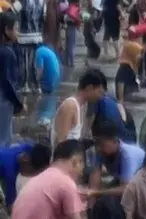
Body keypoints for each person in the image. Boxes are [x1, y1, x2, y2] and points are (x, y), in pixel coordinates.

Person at [10, 140, 85, 219]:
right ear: (75, 162)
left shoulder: (44, 176)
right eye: (80, 172)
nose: (80, 173)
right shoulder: (66, 182)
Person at [87, 120, 146, 204]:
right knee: (100, 201)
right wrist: (91, 204)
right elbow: (94, 182)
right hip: (124, 181)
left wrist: (99, 193)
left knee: (111, 202)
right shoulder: (100, 151)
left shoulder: (127, 155)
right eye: (96, 143)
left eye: (101, 143)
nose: (98, 148)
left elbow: (125, 189)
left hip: (144, 183)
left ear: (115, 140)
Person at [0, 142, 48, 212]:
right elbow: (10, 207)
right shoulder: (10, 173)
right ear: (26, 161)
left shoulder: (27, 147)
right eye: (35, 172)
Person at [0, 12, 21, 146]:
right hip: (4, 98)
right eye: (16, 28)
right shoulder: (6, 52)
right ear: (7, 30)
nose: (18, 32)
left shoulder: (6, 49)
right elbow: (7, 81)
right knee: (4, 137)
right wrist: (17, 102)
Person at [32, 42, 59, 125]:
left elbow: (40, 69)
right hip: (55, 81)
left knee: (34, 94)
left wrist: (36, 81)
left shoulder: (38, 52)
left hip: (48, 82)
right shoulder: (47, 50)